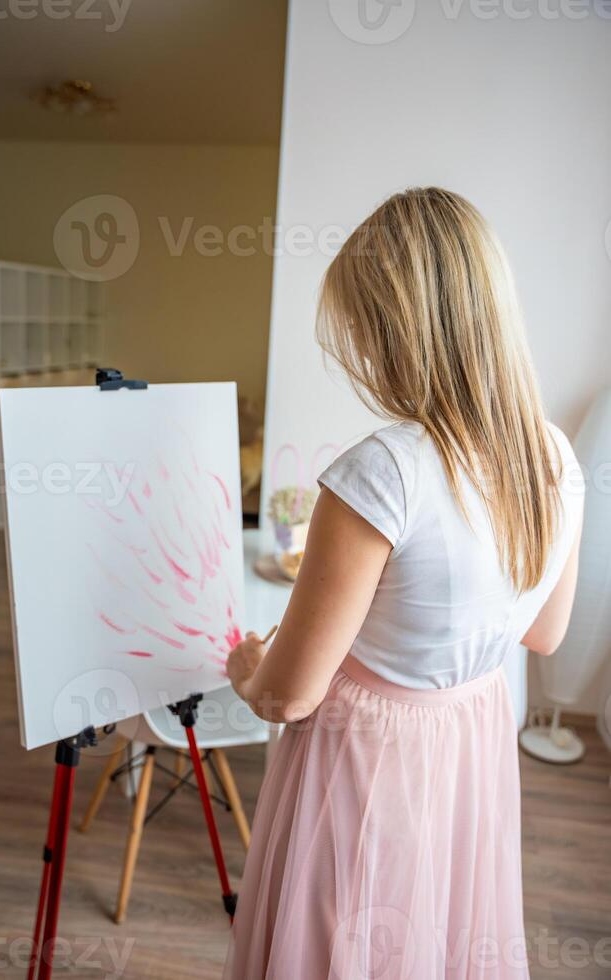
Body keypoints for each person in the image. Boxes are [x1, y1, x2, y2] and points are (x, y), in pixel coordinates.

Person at [222, 187, 584, 980]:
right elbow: (544, 633)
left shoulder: (383, 472)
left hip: (368, 758)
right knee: (435, 936)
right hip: (469, 744)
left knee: (345, 936)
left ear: (396, 329)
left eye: (361, 325)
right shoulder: (553, 457)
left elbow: (288, 697)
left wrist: (249, 666)